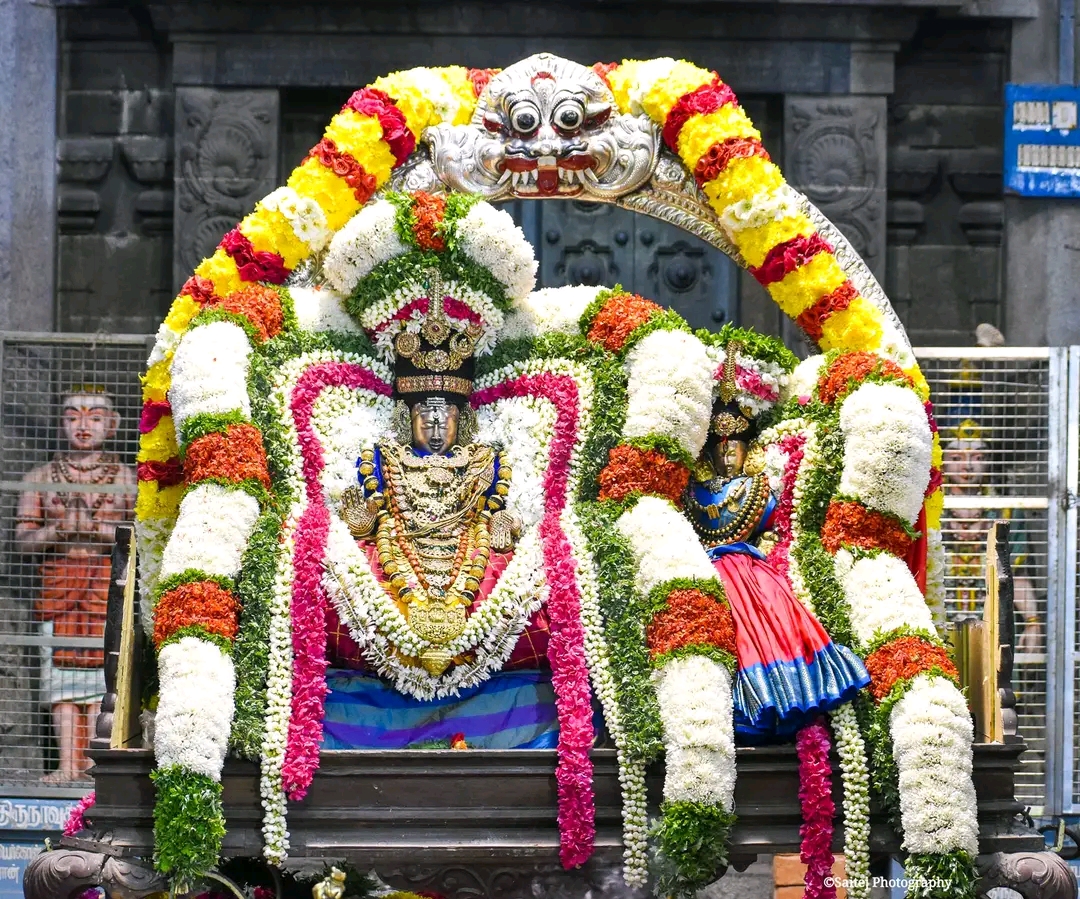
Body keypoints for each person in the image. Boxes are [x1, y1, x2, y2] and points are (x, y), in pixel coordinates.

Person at [683, 353, 869, 739]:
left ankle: (781, 694)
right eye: (720, 447)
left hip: (753, 572)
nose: (727, 454)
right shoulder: (692, 489)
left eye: (734, 446)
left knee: (770, 628)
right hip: (703, 572)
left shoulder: (760, 486)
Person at [15, 387, 135, 782]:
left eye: (96, 417)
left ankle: (93, 766)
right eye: (73, 416)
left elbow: (139, 535)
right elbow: (22, 540)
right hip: (59, 585)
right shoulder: (40, 477)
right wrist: (58, 530)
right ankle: (67, 765)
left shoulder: (125, 478)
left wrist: (99, 531)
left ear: (114, 425)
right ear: (61, 423)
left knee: (102, 675)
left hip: (105, 583)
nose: (84, 425)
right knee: (60, 681)